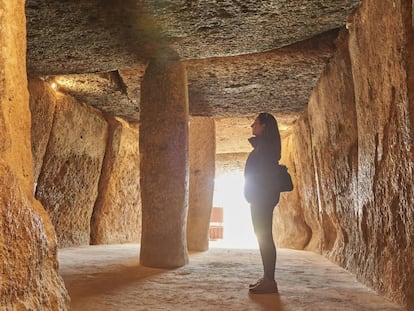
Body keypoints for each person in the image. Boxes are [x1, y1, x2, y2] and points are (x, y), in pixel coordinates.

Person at [244, 112, 281, 294]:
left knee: (265, 238)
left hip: (262, 199)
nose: (252, 126)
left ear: (264, 126)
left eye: (255, 123)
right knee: (263, 238)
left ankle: (270, 281)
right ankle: (267, 277)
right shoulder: (266, 146)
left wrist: (255, 194)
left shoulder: (266, 149)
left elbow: (263, 176)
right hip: (261, 198)